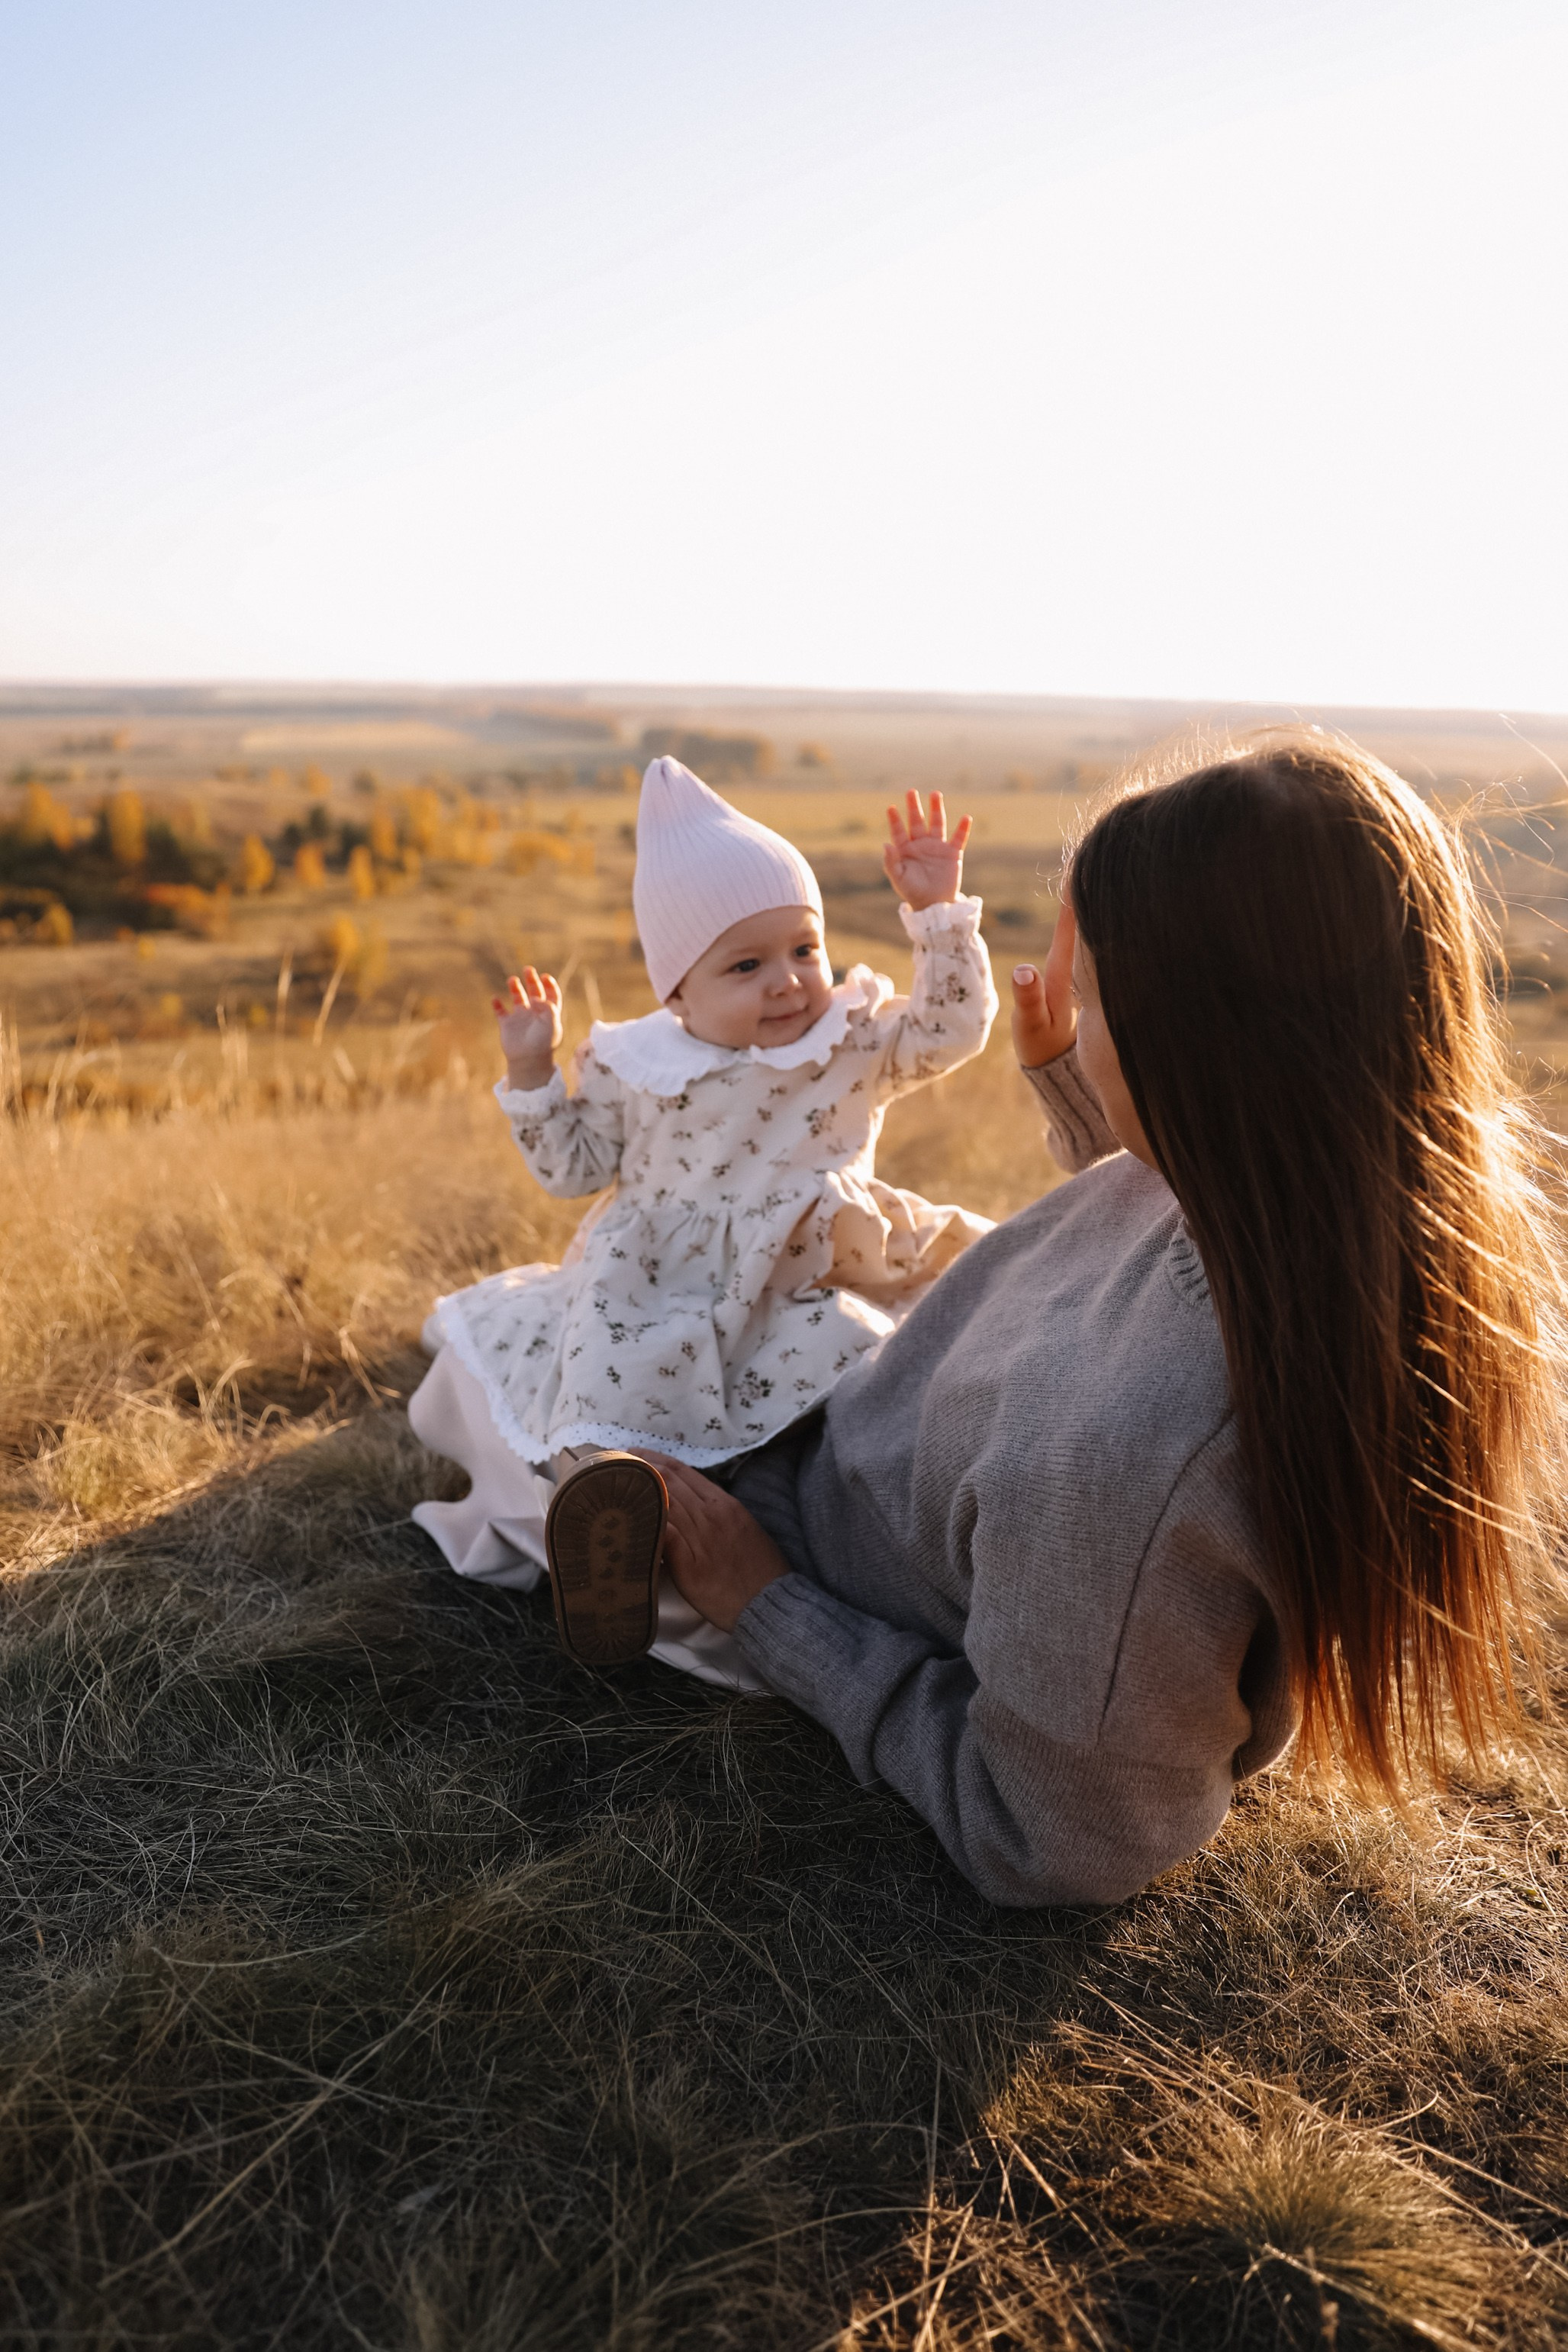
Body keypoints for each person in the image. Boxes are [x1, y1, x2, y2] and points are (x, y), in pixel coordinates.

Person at [632, 734, 1568, 1906]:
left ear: (1198, 1049)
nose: (1073, 1019)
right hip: (884, 1420)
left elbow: (1051, 1833)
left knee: (532, 1417)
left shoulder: (1122, 1472)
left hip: (814, 1527)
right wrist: (1083, 1097)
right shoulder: (1330, 1209)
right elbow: (1132, 1277)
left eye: (1091, 1000)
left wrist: (762, 1602)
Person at [409, 756, 997, 1683]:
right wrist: (532, 1075)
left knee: (866, 1354)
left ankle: (837, 1507)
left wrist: (937, 918)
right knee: (611, 1372)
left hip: (813, 1265)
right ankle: (607, 1517)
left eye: (804, 948)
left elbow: (950, 1030)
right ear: (676, 990)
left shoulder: (846, 1038)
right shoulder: (636, 1062)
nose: (789, 982)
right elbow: (573, 1171)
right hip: (656, 1278)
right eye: (746, 964)